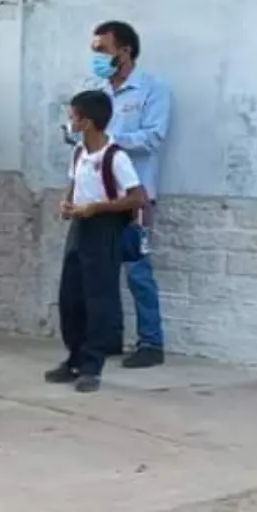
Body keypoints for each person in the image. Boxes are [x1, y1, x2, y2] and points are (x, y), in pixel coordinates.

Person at [50, 90, 146, 393]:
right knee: (71, 295)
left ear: (87, 122)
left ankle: (92, 364)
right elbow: (74, 183)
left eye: (73, 117)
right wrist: (67, 203)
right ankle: (74, 357)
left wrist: (97, 207)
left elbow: (137, 197)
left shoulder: (115, 157)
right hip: (80, 226)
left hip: (104, 228)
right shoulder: (79, 152)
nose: (70, 122)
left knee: (98, 297)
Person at [89, 20, 170, 368]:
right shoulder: (96, 91)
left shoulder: (152, 89)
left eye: (103, 50)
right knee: (102, 272)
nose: (97, 57)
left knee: (137, 270)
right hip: (99, 196)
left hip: (136, 195)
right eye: (95, 50)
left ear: (125, 51)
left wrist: (112, 142)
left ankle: (151, 343)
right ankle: (110, 339)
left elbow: (153, 138)